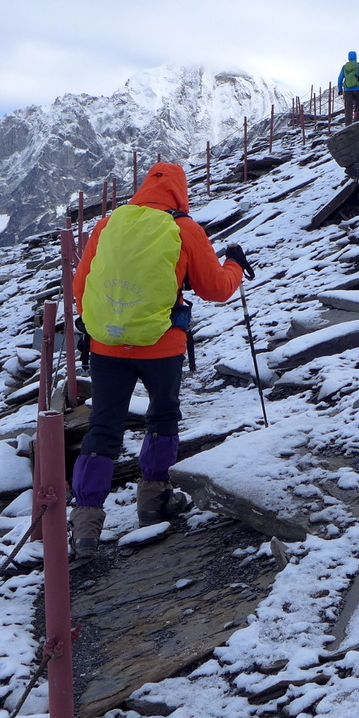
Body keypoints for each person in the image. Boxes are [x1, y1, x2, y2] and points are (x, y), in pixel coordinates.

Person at [69, 162, 251, 556]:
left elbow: (81, 288)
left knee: (102, 428)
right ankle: (154, 502)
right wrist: (234, 263)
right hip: (163, 346)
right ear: (179, 191)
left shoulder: (108, 224)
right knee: (163, 417)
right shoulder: (184, 228)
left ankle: (84, 525)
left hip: (106, 346)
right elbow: (216, 289)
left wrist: (113, 322)